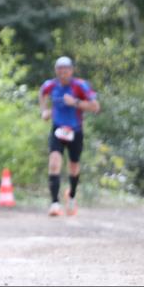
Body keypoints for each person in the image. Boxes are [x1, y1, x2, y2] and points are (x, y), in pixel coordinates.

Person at [38, 56, 100, 217]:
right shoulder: (50, 85)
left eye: (66, 70)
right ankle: (54, 204)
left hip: (75, 130)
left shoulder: (80, 86)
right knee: (54, 163)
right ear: (56, 71)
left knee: (73, 167)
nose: (63, 73)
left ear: (71, 71)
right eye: (59, 70)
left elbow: (95, 107)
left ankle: (71, 197)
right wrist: (44, 111)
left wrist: (76, 103)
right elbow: (42, 93)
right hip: (57, 129)